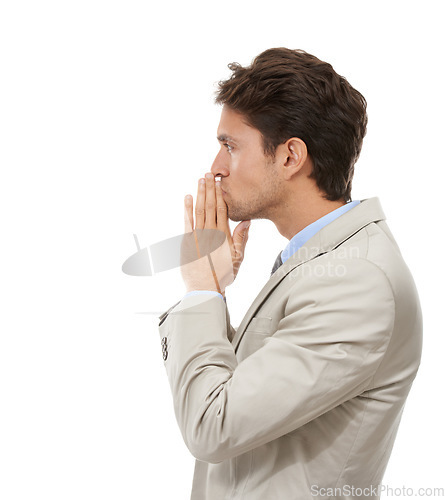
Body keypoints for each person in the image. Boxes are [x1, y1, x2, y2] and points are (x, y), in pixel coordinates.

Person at [157, 48, 422, 500]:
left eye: (230, 146)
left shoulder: (357, 280)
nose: (216, 168)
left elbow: (212, 426)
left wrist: (201, 289)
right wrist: (214, 288)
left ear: (290, 157)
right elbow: (251, 395)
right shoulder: (322, 260)